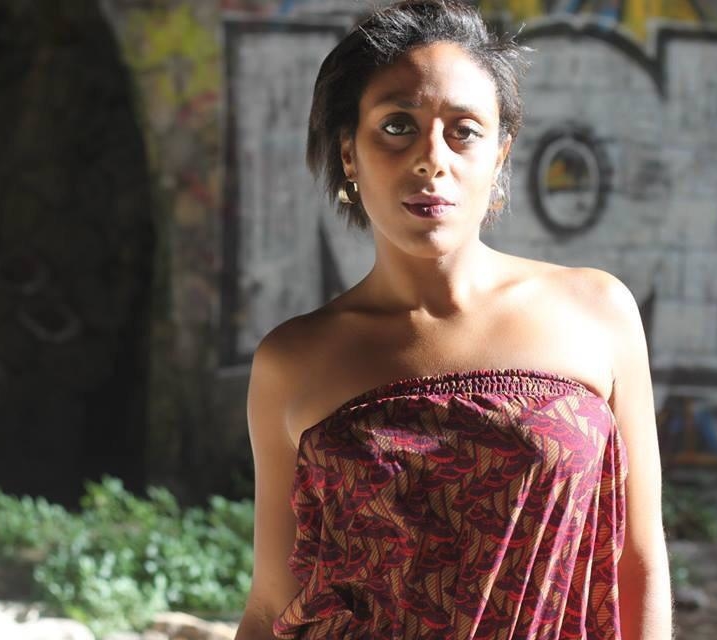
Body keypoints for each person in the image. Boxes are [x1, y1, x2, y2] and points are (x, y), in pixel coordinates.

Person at [234, 0, 672, 638]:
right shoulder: (294, 359)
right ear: (349, 153)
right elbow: (272, 602)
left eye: (464, 130)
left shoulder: (597, 312)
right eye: (396, 126)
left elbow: (639, 562)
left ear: (500, 155)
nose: (431, 159)